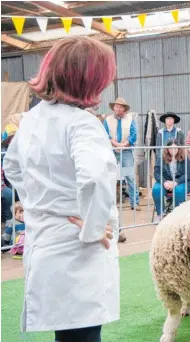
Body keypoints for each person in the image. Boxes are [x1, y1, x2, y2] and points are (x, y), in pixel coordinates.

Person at [2, 36, 119, 341]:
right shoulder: (82, 123)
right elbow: (95, 179)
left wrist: (37, 204)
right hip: (76, 245)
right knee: (82, 331)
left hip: (45, 240)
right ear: (88, 78)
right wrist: (93, 228)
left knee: (66, 333)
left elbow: (11, 167)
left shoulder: (30, 119)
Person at [103, 97, 141, 211]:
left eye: (120, 107)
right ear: (113, 107)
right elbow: (105, 134)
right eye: (116, 106)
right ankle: (108, 204)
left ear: (124, 109)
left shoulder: (130, 120)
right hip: (111, 150)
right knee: (109, 175)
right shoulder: (108, 120)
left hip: (126, 150)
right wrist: (114, 143)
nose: (118, 108)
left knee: (129, 176)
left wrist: (125, 144)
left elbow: (133, 135)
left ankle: (135, 203)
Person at [152, 139, 190, 222]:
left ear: (178, 149)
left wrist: (176, 182)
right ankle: (160, 214)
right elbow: (157, 173)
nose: (173, 150)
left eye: (175, 148)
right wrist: (164, 182)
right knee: (156, 190)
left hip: (181, 181)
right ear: (167, 149)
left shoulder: (184, 158)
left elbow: (187, 174)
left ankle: (177, 215)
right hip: (166, 181)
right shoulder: (161, 158)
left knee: (179, 190)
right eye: (171, 148)